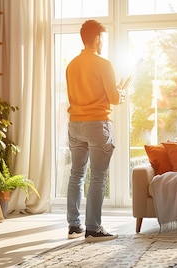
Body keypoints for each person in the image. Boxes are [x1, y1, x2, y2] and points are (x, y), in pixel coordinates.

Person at [65, 19, 121, 241]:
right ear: (97, 38)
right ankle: (93, 228)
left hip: (75, 124)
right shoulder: (103, 64)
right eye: (102, 39)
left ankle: (74, 226)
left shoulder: (71, 65)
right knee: (98, 176)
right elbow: (114, 98)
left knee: (76, 174)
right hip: (97, 124)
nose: (103, 43)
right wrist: (120, 95)